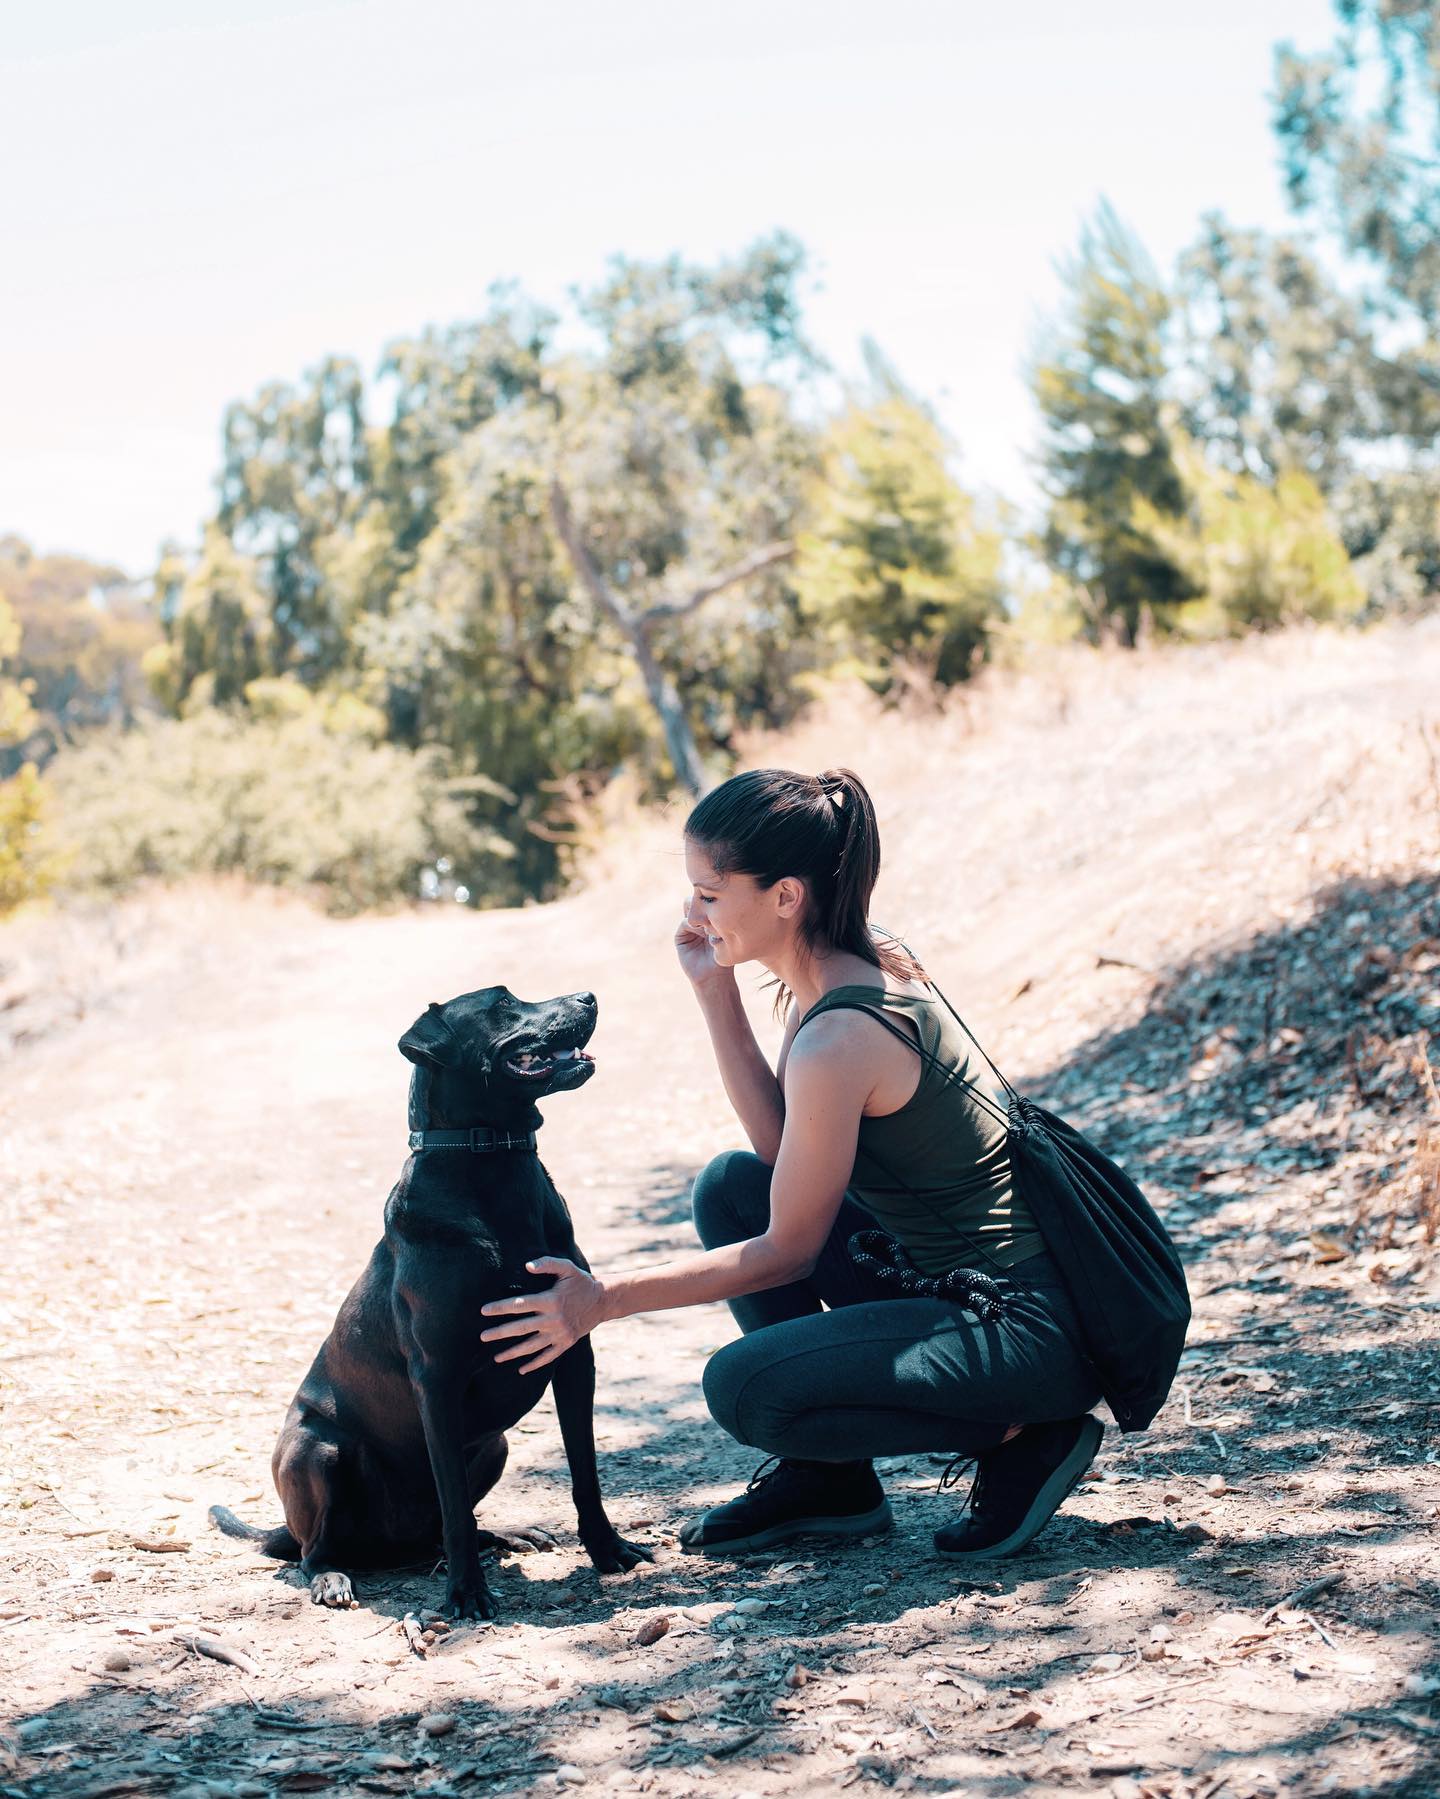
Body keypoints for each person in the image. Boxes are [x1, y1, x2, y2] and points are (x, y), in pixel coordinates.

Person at [479, 767, 1104, 1560]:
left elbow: (791, 1251)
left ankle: (1024, 1433)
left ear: (785, 896)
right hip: (966, 1287)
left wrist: (603, 1299)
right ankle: (833, 1481)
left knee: (747, 1388)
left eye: (710, 892)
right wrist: (715, 989)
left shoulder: (843, 1032)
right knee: (731, 1188)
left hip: (1022, 1330)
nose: (692, 911)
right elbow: (782, 1157)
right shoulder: (843, 972)